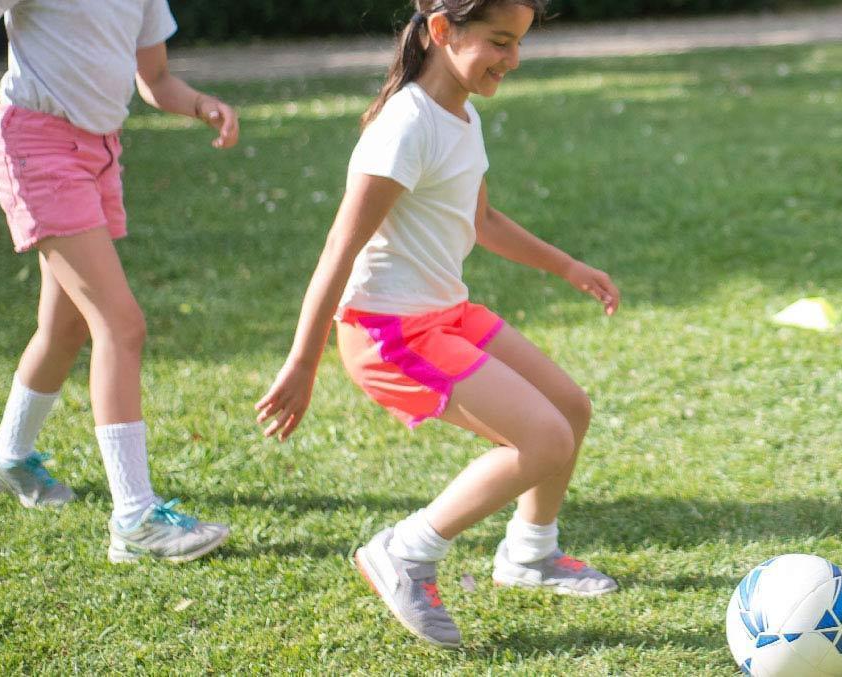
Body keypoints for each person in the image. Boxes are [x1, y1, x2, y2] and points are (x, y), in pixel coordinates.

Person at [254, 0, 623, 648]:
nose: (512, 60)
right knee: (543, 440)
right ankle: (405, 551)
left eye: (519, 44)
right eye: (500, 42)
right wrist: (303, 360)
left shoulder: (462, 114)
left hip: (445, 311)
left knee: (569, 409)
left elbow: (480, 221)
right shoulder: (405, 125)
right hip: (386, 330)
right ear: (442, 31)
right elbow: (340, 247)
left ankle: (530, 553)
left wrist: (568, 266)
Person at [0, 0, 243, 563]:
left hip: (98, 155)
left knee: (65, 326)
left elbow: (157, 79)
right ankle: (135, 519)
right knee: (121, 327)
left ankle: (7, 455)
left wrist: (201, 105)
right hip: (37, 148)